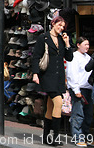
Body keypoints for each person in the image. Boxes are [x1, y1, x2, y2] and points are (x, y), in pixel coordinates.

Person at [32, 16, 73, 146]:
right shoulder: (43, 38)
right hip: (47, 76)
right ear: (53, 23)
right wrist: (35, 74)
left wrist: (67, 44)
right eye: (59, 25)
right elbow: (36, 57)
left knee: (50, 107)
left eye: (63, 27)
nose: (61, 28)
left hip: (59, 77)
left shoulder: (62, 39)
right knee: (58, 102)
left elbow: (69, 57)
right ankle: (54, 137)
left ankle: (46, 137)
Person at [66, 37, 93, 147]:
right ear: (78, 45)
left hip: (88, 88)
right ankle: (77, 137)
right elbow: (71, 74)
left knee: (89, 114)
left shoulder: (88, 57)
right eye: (85, 44)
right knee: (78, 114)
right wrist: (76, 89)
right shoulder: (74, 57)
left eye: (88, 44)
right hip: (79, 88)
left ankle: (85, 136)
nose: (87, 47)